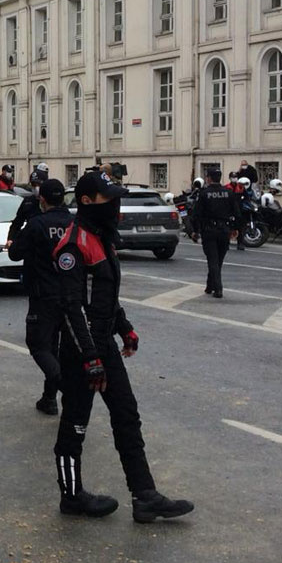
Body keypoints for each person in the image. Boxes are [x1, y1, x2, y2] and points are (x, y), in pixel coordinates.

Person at [51, 171, 194, 522]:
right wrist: (90, 359)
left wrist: (125, 328)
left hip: (103, 346)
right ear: (86, 201)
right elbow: (72, 309)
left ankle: (144, 495)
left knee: (127, 416)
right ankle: (71, 497)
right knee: (75, 425)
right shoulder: (73, 245)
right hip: (80, 350)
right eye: (108, 198)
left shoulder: (103, 238)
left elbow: (104, 298)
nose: (115, 204)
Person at [8, 178, 73, 415]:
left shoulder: (37, 224)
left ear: (42, 200)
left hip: (43, 296)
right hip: (71, 297)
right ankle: (49, 398)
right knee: (54, 348)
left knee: (38, 345)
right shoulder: (74, 223)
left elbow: (15, 254)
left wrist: (14, 243)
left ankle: (67, 388)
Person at [192, 169, 239, 298]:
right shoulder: (228, 193)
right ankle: (210, 285)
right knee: (218, 260)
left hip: (209, 231)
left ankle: (218, 288)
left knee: (212, 260)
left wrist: (195, 231)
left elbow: (196, 215)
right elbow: (236, 213)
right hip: (224, 230)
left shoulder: (204, 194)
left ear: (209, 178)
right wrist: (235, 228)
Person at [7, 167, 49, 246]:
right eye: (33, 185)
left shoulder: (52, 200)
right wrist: (11, 239)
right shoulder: (28, 202)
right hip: (32, 243)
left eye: (39, 184)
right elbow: (17, 223)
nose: (36, 188)